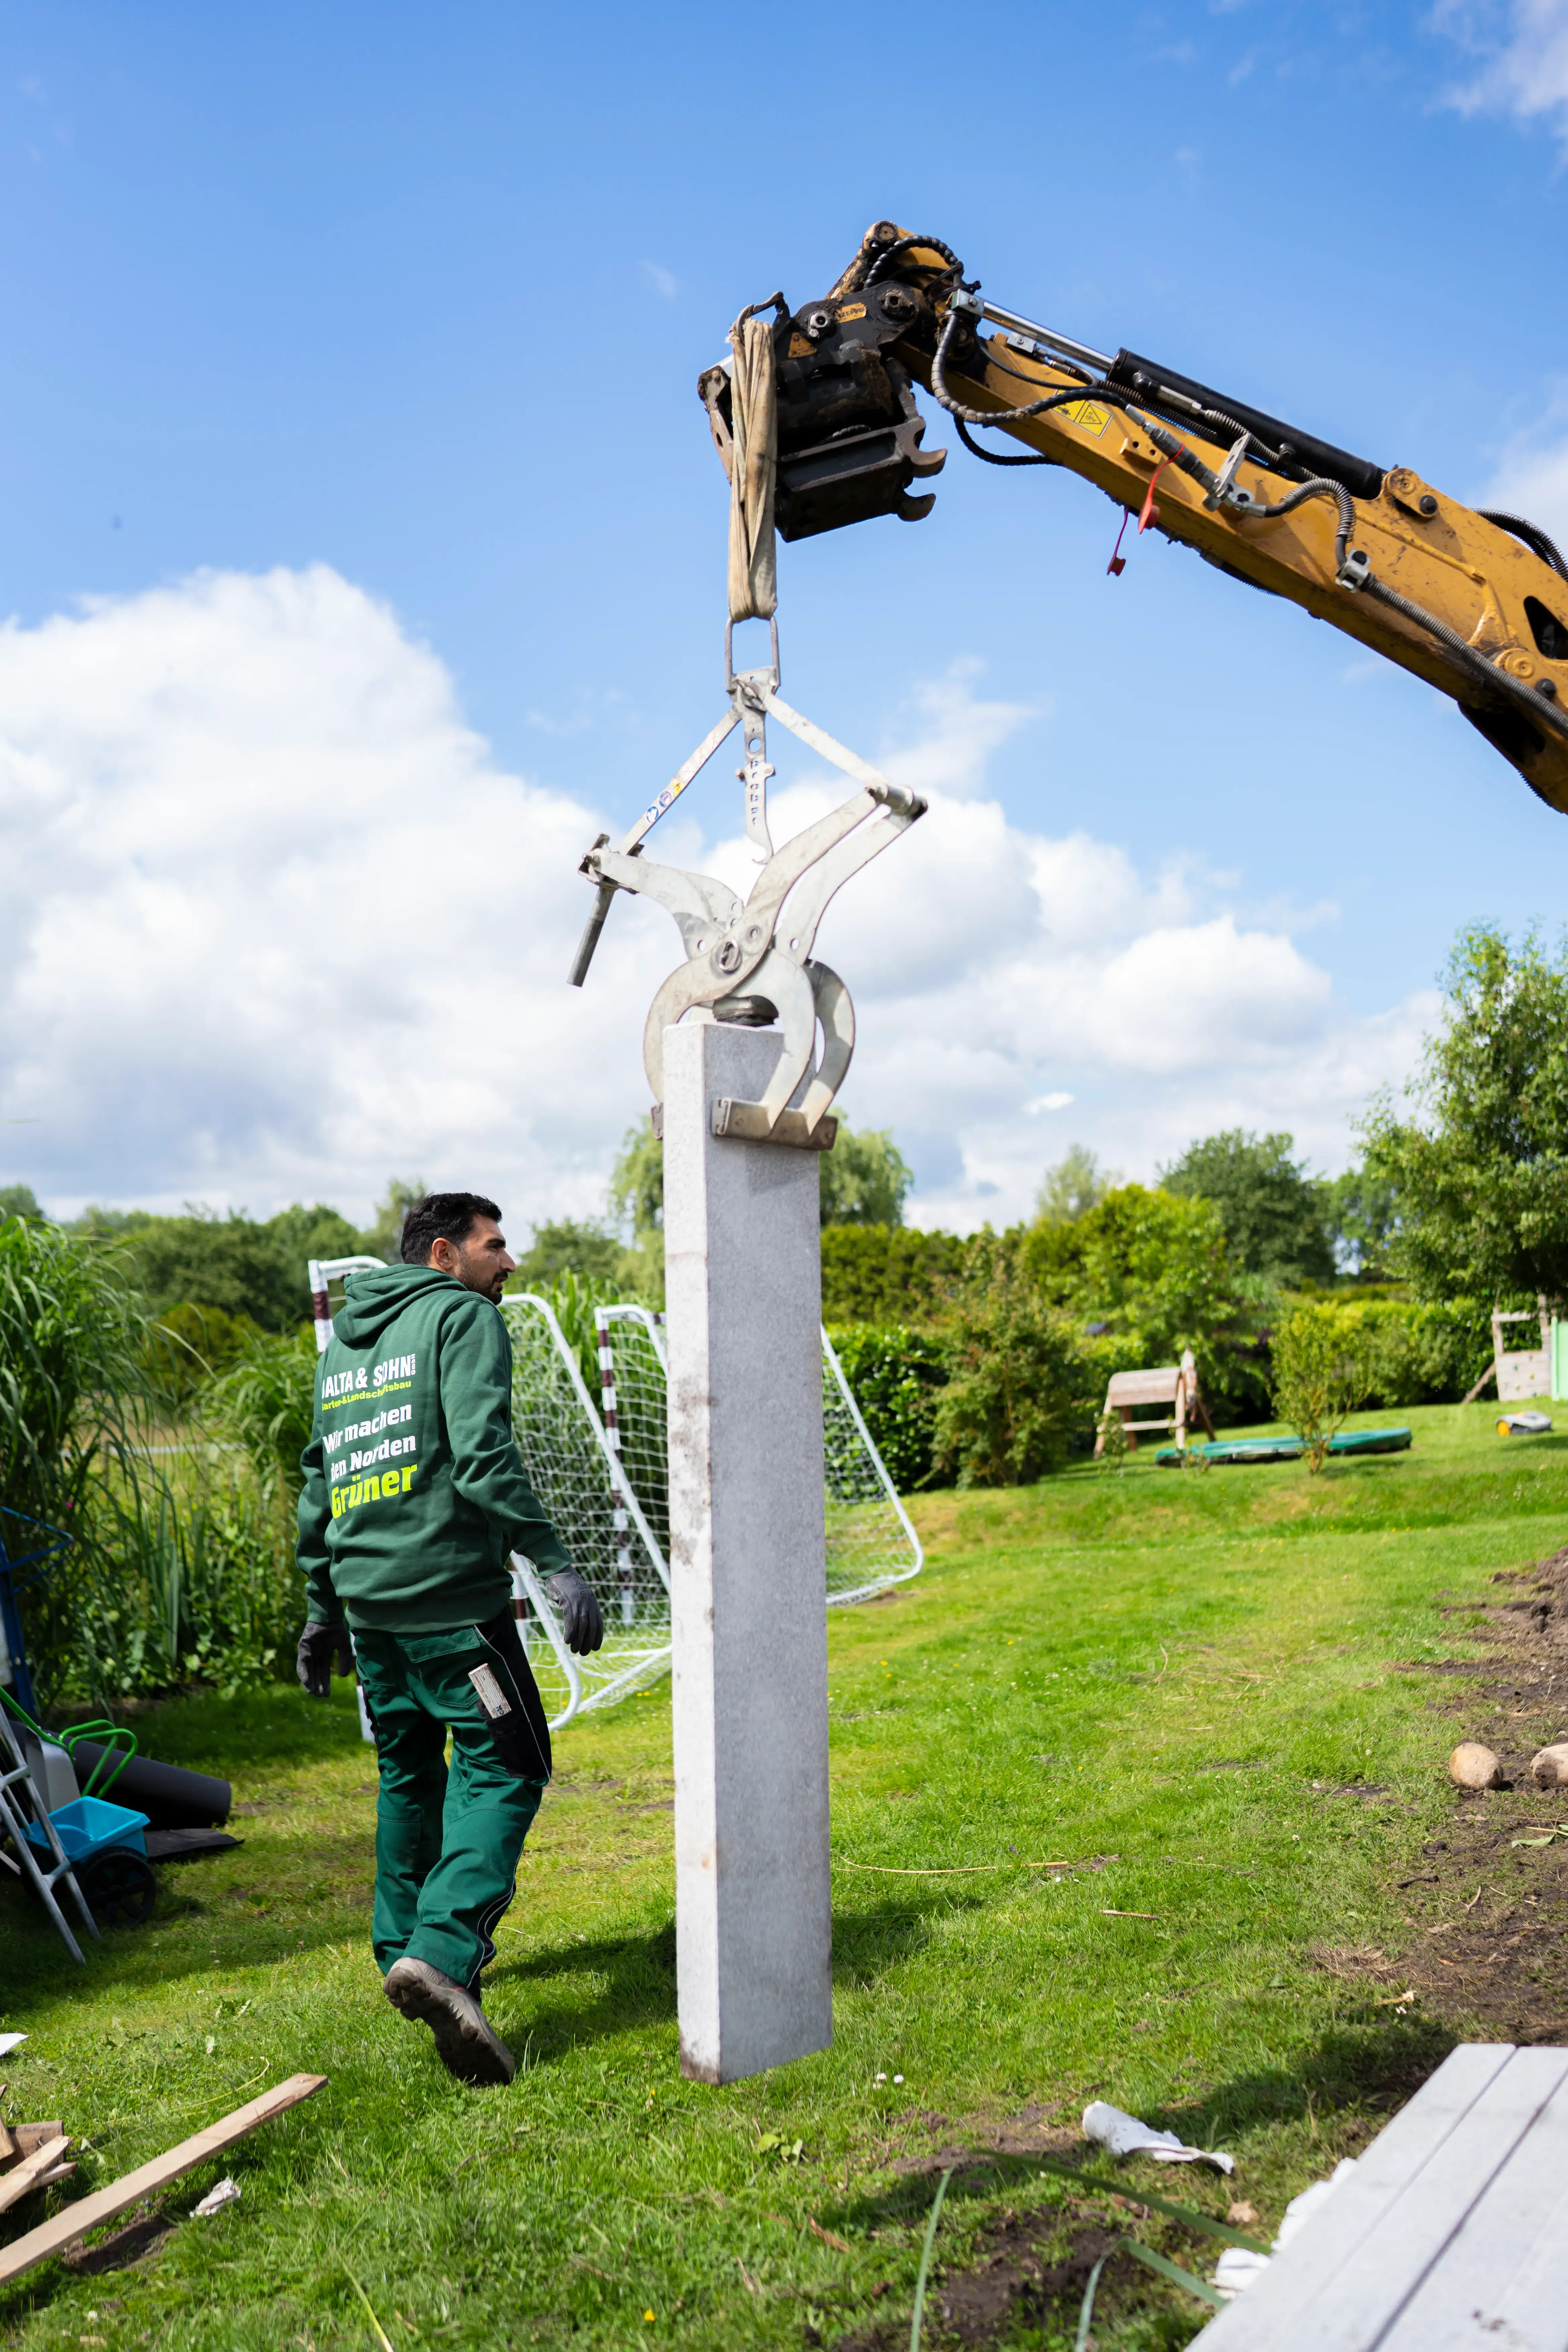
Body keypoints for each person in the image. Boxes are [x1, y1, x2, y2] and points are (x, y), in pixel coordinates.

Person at [295, 1189, 602, 2086]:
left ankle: (403, 1949)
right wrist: (552, 1560)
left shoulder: (345, 1348)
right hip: (446, 1603)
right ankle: (440, 1953)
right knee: (511, 1765)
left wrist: (321, 1606)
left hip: (369, 1608)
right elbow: (481, 1451)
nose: (509, 1264)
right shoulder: (462, 1319)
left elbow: (323, 1479)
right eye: (495, 1247)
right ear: (444, 1255)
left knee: (410, 1772)